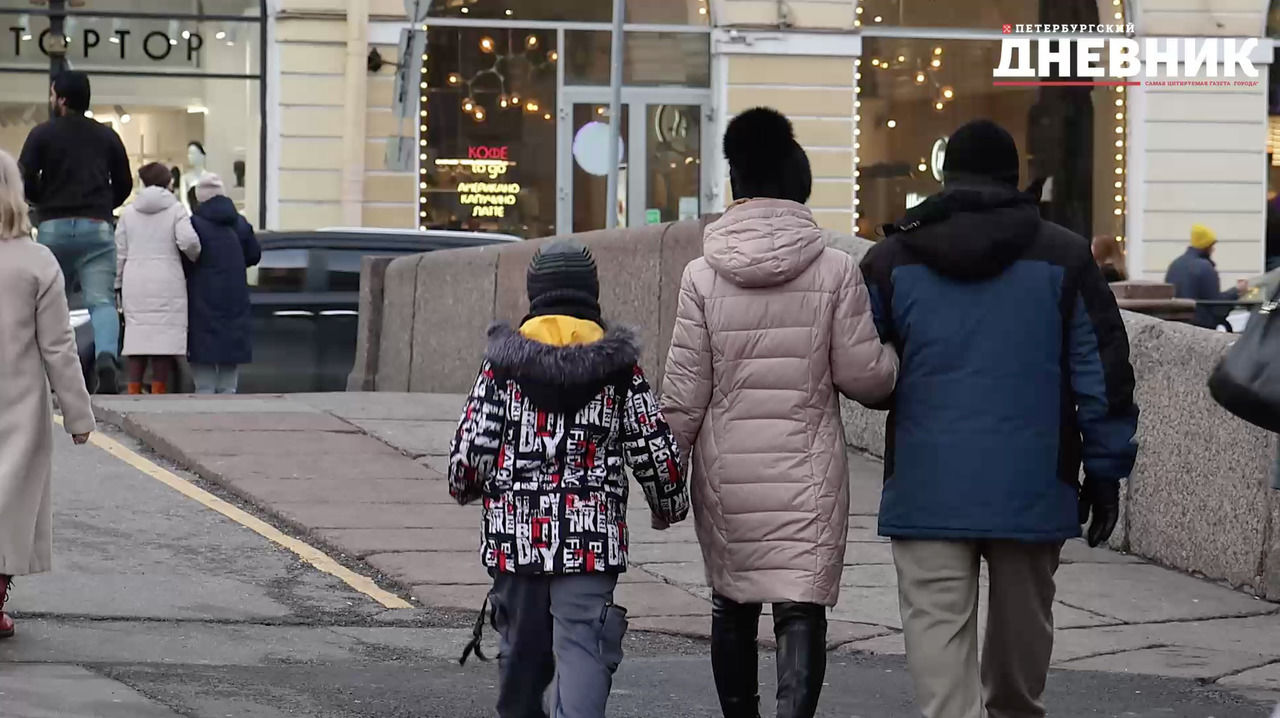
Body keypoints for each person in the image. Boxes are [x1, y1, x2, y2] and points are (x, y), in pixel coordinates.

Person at [859, 119, 1139, 718]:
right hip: (1033, 486)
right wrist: (1107, 473)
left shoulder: (890, 260)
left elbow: (867, 372)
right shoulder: (1066, 256)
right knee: (1021, 656)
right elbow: (1103, 375)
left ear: (944, 175)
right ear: (1016, 181)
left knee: (941, 670)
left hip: (926, 485)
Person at [662, 108, 900, 718]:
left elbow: (684, 395)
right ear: (799, 185)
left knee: (732, 606)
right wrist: (897, 360)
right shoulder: (835, 269)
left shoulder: (700, 275)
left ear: (736, 184)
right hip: (808, 474)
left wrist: (663, 475)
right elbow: (863, 377)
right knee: (800, 607)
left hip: (728, 478)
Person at [448, 239, 689, 718]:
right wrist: (668, 505)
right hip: (589, 540)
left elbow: (471, 451)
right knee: (584, 645)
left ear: (535, 296)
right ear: (591, 295)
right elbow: (654, 449)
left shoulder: (502, 366)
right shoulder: (619, 369)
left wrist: (468, 485)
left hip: (517, 538)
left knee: (520, 649)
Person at [0, 148, 96, 639]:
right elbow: (59, 346)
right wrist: (78, 416)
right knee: (11, 503)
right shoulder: (37, 262)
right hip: (16, 404)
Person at [18, 70, 133, 393]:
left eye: (53, 94)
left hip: (53, 227)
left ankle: (40, 371)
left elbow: (23, 176)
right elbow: (124, 182)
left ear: (62, 100)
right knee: (101, 302)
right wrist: (103, 206)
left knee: (48, 302)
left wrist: (41, 200)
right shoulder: (107, 136)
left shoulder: (42, 134)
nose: (51, 99)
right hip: (96, 227)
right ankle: (107, 358)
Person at [115, 162, 201, 395]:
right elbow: (189, 242)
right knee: (163, 343)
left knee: (137, 339)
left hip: (135, 279)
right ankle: (158, 393)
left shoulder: (128, 213)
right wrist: (194, 257)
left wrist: (118, 283)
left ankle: (133, 391)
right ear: (167, 183)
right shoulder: (176, 210)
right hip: (167, 278)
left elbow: (120, 252)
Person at [184, 174, 260, 395]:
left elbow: (186, 258)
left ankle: (204, 417)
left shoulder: (194, 225)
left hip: (202, 298)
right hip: (235, 297)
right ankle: (228, 411)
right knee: (229, 375)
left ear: (201, 199)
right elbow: (254, 255)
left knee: (204, 375)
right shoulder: (240, 223)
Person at [1166, 223, 1249, 329]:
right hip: (1200, 326)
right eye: (1212, 245)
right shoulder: (1205, 268)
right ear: (1206, 246)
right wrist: (1237, 291)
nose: (1213, 249)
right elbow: (1217, 307)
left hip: (1177, 326)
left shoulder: (1175, 264)